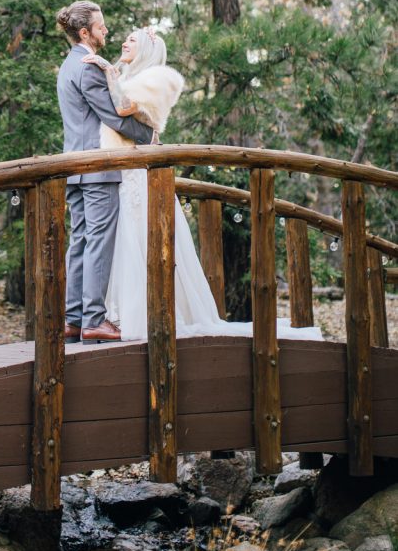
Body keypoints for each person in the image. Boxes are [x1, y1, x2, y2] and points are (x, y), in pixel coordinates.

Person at [84, 27, 322, 343]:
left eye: (132, 39)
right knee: (123, 244)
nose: (124, 42)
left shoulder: (157, 78)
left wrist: (107, 71)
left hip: (139, 174)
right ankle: (118, 315)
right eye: (125, 38)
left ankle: (143, 318)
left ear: (146, 49)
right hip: (120, 172)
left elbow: (124, 107)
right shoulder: (127, 77)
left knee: (140, 239)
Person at [56, 1, 154, 345]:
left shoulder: (68, 66)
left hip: (74, 167)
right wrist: (150, 136)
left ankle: (73, 319)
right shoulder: (87, 68)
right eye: (101, 27)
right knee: (97, 241)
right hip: (97, 167)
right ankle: (94, 320)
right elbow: (113, 116)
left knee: (80, 240)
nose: (106, 31)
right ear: (85, 32)